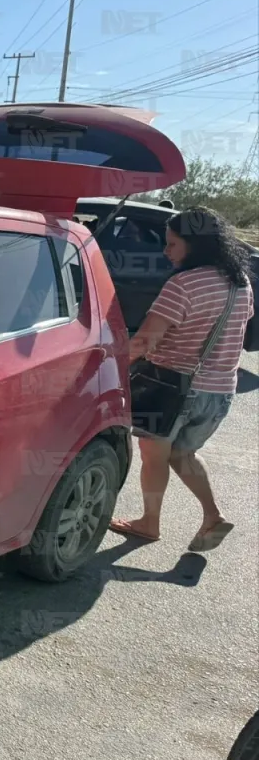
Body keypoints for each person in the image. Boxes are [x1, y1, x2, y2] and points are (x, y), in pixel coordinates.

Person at [109, 206, 255, 551]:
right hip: (219, 392)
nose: (165, 251)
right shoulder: (241, 284)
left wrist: (109, 367)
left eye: (172, 244)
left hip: (169, 387)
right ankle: (212, 516)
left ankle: (149, 522)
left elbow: (145, 341)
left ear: (195, 245)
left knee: (154, 456)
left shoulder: (184, 284)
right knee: (183, 454)